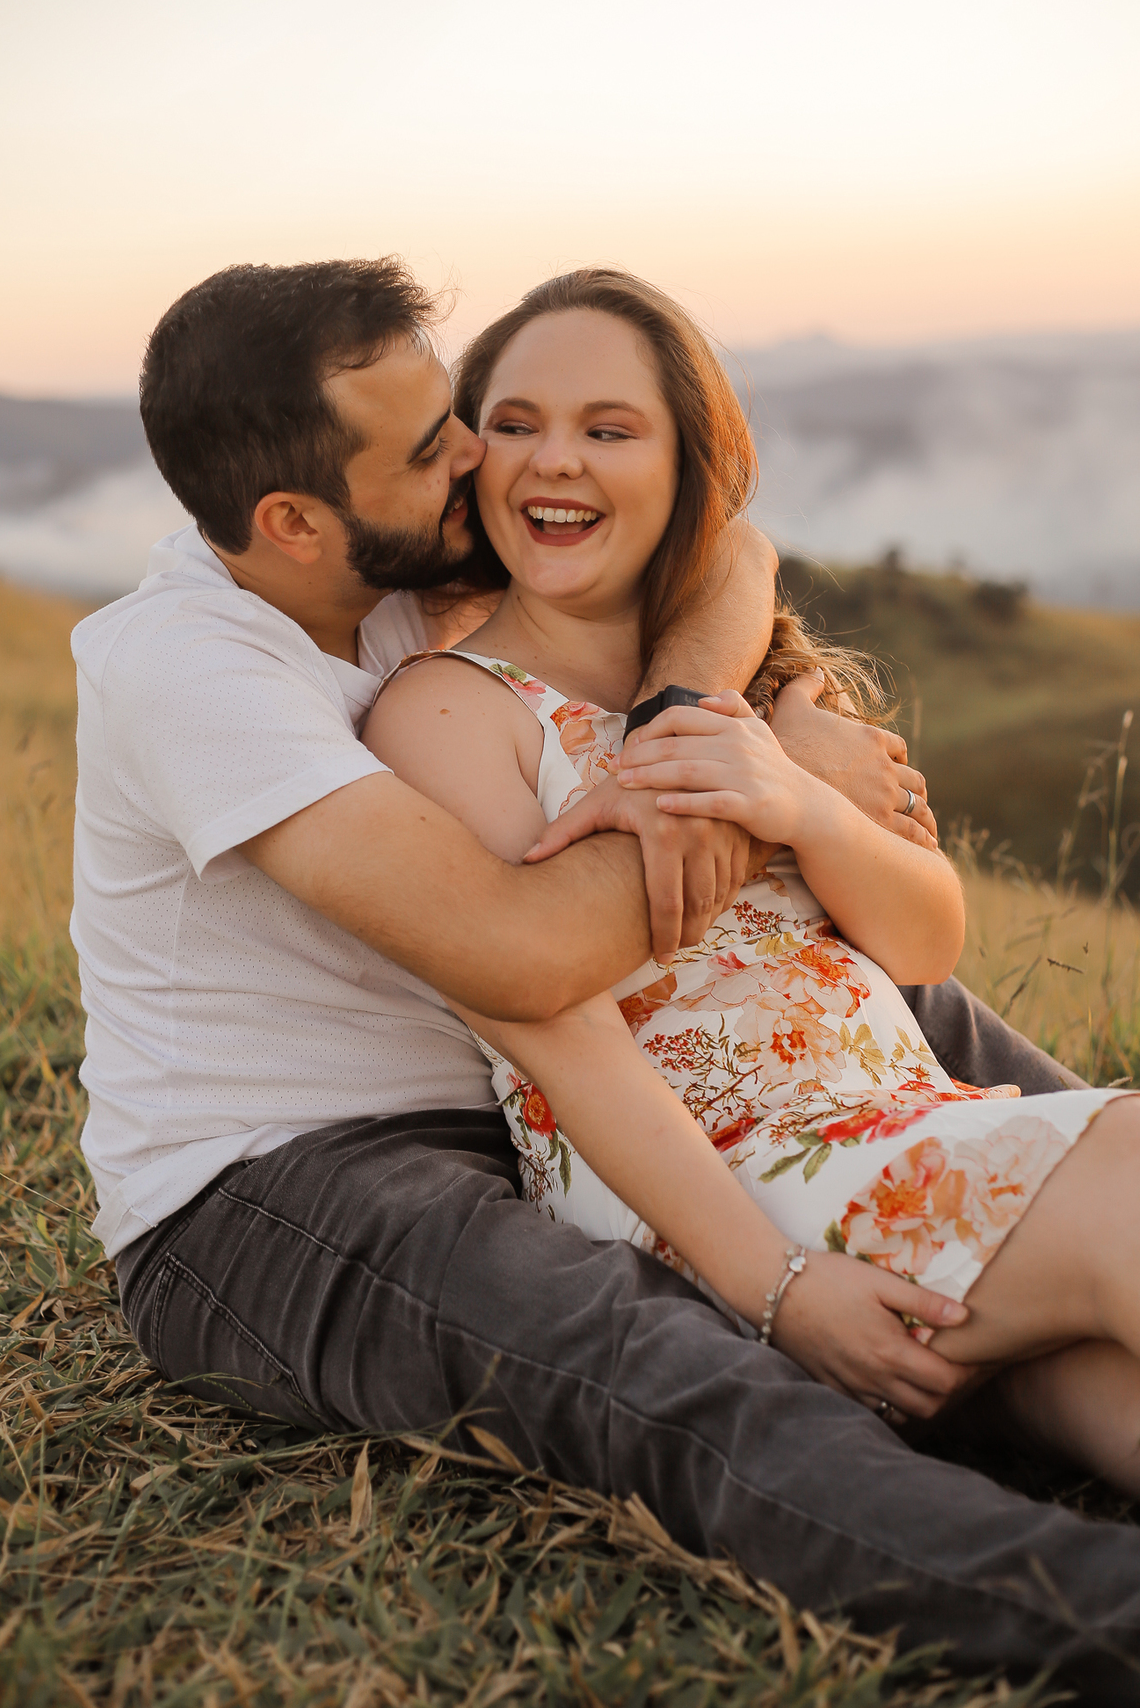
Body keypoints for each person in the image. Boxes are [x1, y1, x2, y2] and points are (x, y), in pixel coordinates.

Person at [71, 259, 1140, 1699]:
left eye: (466, 419)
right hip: (279, 1177)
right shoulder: (194, 670)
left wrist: (718, 724)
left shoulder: (406, 562)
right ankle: (1091, 1610)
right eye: (440, 444)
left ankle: (1045, 1259)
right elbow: (521, 965)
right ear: (294, 522)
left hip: (536, 1090)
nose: (478, 461)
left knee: (906, 1007)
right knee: (645, 1364)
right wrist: (731, 793)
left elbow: (719, 543)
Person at [363, 267, 1139, 1487]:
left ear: (685, 472)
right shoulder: (451, 710)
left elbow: (928, 943)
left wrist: (794, 801)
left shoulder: (760, 699)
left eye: (608, 430)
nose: (552, 461)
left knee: (1112, 1401)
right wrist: (778, 1289)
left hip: (901, 1126)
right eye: (514, 424)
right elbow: (542, 1021)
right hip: (731, 1183)